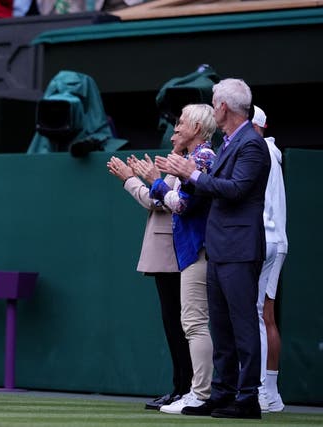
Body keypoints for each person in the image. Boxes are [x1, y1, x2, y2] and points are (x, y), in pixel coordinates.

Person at [158, 78, 270, 419]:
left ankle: (247, 396)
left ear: (222, 107)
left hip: (238, 246)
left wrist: (192, 174)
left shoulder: (251, 144)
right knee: (220, 326)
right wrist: (187, 175)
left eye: (215, 103)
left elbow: (235, 190)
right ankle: (223, 392)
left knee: (242, 323)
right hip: (220, 245)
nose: (213, 107)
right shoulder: (228, 143)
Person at [106, 155, 192, 411]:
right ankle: (180, 387)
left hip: (175, 252)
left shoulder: (191, 161)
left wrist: (130, 179)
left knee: (180, 324)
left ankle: (187, 388)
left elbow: (158, 201)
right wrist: (147, 177)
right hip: (169, 252)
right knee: (173, 323)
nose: (175, 133)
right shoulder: (178, 161)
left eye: (180, 128)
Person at [146, 104, 217, 414]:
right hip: (193, 251)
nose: (176, 127)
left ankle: (199, 394)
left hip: (200, 250)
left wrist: (157, 182)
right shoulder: (193, 158)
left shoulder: (202, 157)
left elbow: (180, 205)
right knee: (193, 324)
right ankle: (198, 392)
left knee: (195, 324)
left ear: (197, 129)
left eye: (182, 122)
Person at [251, 105, 288, 413]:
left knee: (261, 315)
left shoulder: (261, 151)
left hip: (267, 240)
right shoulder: (266, 151)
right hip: (269, 240)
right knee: (263, 315)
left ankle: (266, 390)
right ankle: (268, 392)